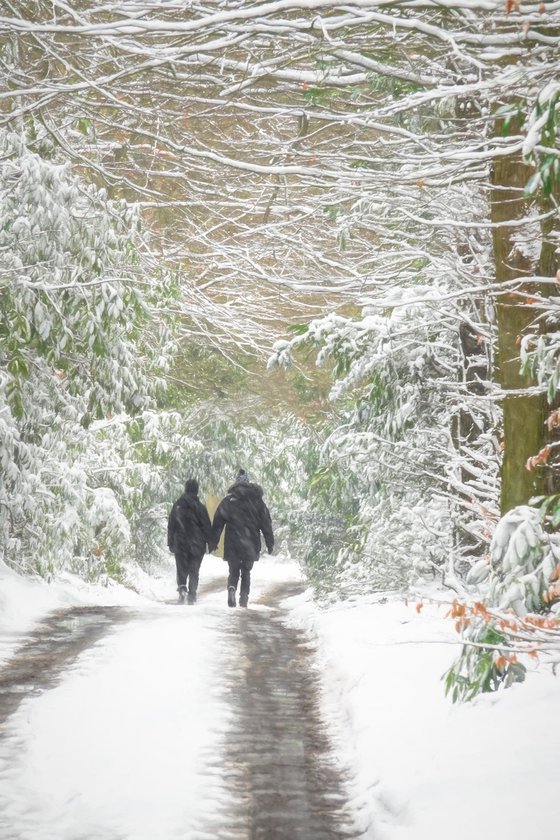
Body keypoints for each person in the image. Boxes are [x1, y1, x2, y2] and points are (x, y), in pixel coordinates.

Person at [209, 469, 274, 608]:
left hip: (233, 541)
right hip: (251, 542)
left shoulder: (229, 501)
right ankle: (243, 598)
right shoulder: (257, 502)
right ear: (248, 482)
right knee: (246, 571)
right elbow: (266, 524)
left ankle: (232, 588)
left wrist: (213, 542)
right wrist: (270, 543)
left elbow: (218, 523)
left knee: (233, 570)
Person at [167, 478, 212, 604]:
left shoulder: (177, 505)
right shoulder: (200, 507)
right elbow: (206, 526)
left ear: (185, 489)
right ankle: (192, 593)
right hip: (197, 543)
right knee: (194, 570)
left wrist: (170, 542)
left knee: (181, 568)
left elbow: (171, 525)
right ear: (197, 491)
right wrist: (211, 542)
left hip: (180, 542)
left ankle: (182, 587)